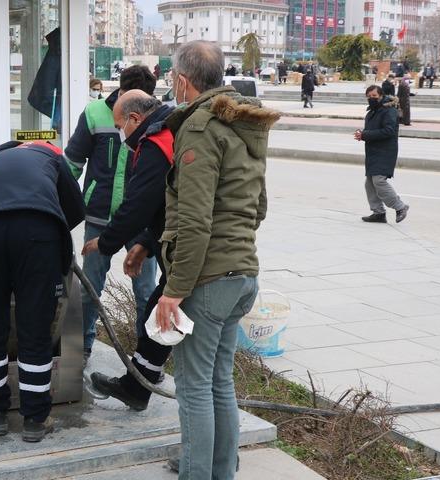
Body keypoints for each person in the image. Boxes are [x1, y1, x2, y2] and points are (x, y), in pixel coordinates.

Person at [156, 40, 275, 479]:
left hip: (206, 282)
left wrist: (175, 290)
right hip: (242, 274)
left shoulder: (200, 128)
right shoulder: (245, 124)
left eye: (172, 77)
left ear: (183, 81)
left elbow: (194, 220)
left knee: (192, 389)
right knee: (219, 383)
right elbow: (258, 207)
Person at [0, 140, 83, 443]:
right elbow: (76, 208)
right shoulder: (51, 156)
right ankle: (36, 419)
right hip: (38, 236)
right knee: (35, 329)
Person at [84, 89, 178, 410]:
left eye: (120, 126)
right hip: (180, 247)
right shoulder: (168, 131)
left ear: (135, 119)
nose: (121, 134)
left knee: (171, 320)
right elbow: (168, 204)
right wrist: (146, 245)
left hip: (193, 255)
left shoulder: (154, 143)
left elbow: (139, 204)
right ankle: (136, 387)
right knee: (160, 313)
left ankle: (207, 447)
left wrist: (107, 241)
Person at [64, 65, 159, 361]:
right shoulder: (94, 113)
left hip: (141, 223)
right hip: (99, 217)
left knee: (146, 291)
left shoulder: (154, 119)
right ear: (119, 92)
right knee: (90, 287)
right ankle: (83, 344)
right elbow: (73, 162)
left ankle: (145, 354)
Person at [355, 86, 409, 224]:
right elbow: (372, 130)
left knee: (379, 180)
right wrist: (362, 135)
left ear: (381, 95)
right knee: (369, 183)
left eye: (374, 96)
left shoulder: (389, 110)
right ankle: (378, 213)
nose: (371, 98)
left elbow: (389, 131)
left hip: (386, 151)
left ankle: (400, 207)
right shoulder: (372, 111)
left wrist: (365, 135)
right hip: (373, 151)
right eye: (368, 96)